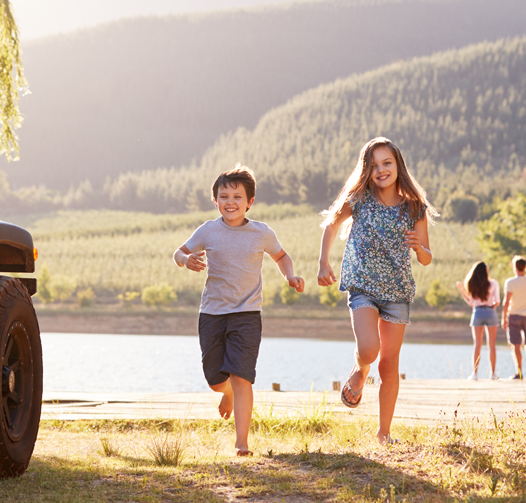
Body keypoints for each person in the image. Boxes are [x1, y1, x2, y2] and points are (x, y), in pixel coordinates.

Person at [174, 164, 304, 457]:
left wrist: (290, 276)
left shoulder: (261, 232)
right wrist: (187, 260)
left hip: (247, 314)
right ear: (215, 201)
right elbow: (178, 252)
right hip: (212, 313)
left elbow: (281, 256)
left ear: (250, 202)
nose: (230, 202)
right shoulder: (208, 230)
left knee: (242, 375)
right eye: (223, 196)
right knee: (215, 380)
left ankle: (242, 443)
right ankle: (227, 393)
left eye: (236, 196)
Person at [317, 137, 436, 444]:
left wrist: (419, 247)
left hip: (397, 291)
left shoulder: (414, 206)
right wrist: (323, 263)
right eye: (374, 165)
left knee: (389, 363)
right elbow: (331, 224)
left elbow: (426, 257)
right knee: (370, 350)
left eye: (387, 163)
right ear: (366, 170)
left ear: (398, 166)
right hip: (362, 285)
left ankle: (384, 433)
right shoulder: (360, 198)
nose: (381, 170)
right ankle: (359, 370)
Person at [455, 262, 500, 381]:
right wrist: (491, 306)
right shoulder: (493, 283)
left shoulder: (471, 284)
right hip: (490, 312)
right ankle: (493, 374)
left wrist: (461, 289)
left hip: (478, 312)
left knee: (477, 345)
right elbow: (497, 302)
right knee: (492, 345)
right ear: (486, 271)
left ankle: (475, 374)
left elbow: (471, 302)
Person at [503, 256, 526, 380]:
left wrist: (504, 318)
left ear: (514, 267)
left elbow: (506, 302)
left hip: (513, 316)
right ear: (524, 267)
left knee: (516, 345)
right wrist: (525, 266)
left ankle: (519, 372)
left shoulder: (510, 282)